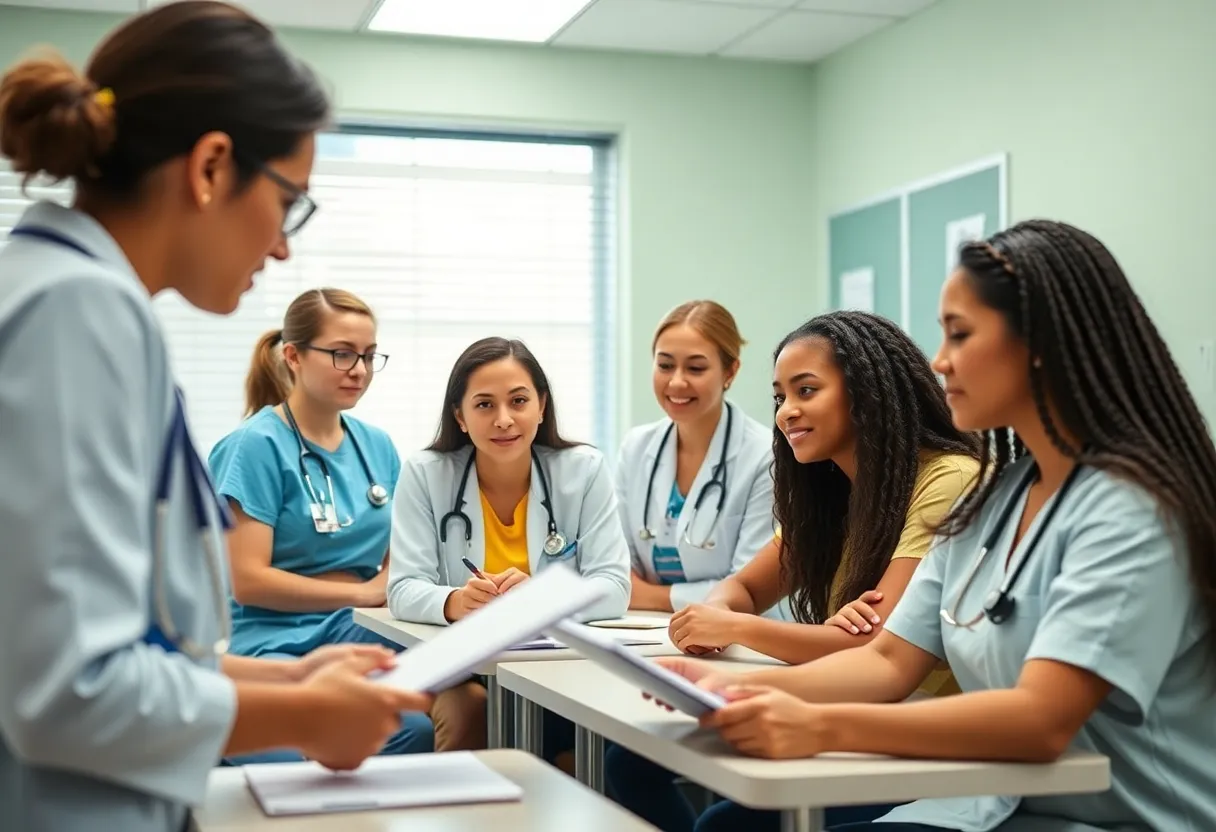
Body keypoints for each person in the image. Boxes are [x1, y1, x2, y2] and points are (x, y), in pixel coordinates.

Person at [0, 4, 431, 830]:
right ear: (210, 166)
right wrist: (301, 717)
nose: (282, 250)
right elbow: (65, 689)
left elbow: (129, 647)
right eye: (289, 204)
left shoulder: (74, 299)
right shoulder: (75, 315)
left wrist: (287, 682)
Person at [655, 220, 1216, 832]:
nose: (940, 360)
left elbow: (1040, 720)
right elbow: (888, 661)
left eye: (960, 334)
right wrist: (721, 688)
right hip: (992, 806)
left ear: (1041, 344)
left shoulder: (1132, 510)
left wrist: (818, 724)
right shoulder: (991, 500)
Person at [606, 310, 981, 832]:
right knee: (629, 760)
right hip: (858, 704)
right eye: (781, 397)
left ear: (866, 392)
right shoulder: (832, 491)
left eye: (807, 391)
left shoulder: (945, 478)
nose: (786, 413)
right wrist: (718, 613)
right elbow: (742, 588)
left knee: (726, 825)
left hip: (925, 737)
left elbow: (875, 647)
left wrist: (737, 626)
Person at [208, 288, 480, 758]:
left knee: (441, 712)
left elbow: (404, 560)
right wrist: (364, 591)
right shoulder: (254, 446)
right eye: (342, 354)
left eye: (370, 356)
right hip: (271, 643)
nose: (359, 370)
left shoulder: (377, 446)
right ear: (293, 356)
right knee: (383, 732)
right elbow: (248, 581)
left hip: (353, 630)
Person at [388, 336, 631, 759]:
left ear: (541, 406)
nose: (504, 419)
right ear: (460, 417)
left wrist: (541, 600)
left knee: (590, 724)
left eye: (518, 401)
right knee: (469, 712)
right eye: (484, 405)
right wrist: (455, 601)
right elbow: (404, 587)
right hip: (460, 665)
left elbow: (613, 585)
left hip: (554, 664)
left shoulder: (583, 471)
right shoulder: (426, 474)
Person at [616, 300, 778, 614]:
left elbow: (749, 589)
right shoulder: (635, 448)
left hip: (738, 640)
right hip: (642, 630)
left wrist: (649, 596)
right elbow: (617, 568)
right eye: (665, 365)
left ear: (730, 371)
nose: (676, 381)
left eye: (695, 368)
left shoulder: (765, 457)